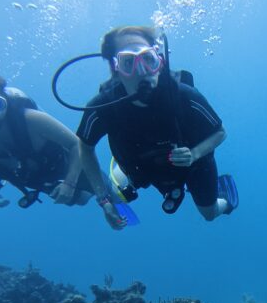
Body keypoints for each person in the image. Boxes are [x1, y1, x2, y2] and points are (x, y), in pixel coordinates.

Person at [76, 25, 238, 230]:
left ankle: (225, 199)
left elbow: (220, 132)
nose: (142, 70)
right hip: (142, 168)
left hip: (193, 166)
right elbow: (85, 147)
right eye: (128, 62)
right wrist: (103, 201)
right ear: (116, 69)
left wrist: (194, 154)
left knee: (209, 214)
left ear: (159, 62)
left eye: (148, 59)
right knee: (115, 194)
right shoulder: (102, 107)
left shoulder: (184, 96)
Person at [0, 69, 93, 208]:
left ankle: (118, 208)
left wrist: (70, 183)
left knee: (106, 193)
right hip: (37, 179)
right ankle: (115, 213)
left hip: (66, 164)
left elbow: (76, 144)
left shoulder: (32, 120)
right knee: (80, 200)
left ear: (5, 101)